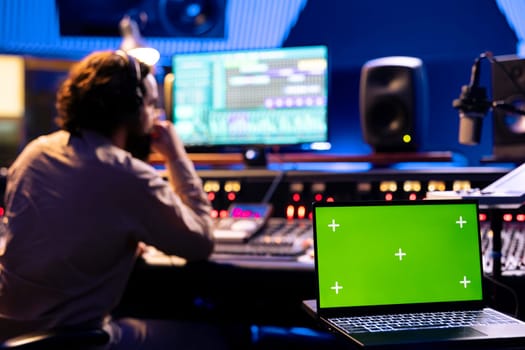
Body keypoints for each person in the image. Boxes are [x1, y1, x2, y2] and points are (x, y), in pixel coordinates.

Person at [0, 50, 247, 349]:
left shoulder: (35, 152)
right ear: (132, 107)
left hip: (9, 336)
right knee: (217, 338)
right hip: (75, 340)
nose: (156, 114)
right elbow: (201, 242)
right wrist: (176, 156)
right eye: (152, 104)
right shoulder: (128, 175)